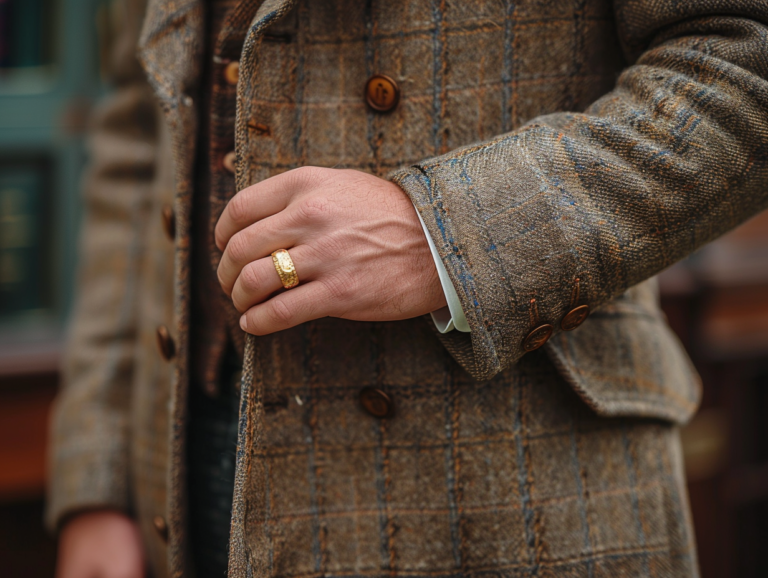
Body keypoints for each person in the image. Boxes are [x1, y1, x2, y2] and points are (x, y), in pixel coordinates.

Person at [49, 0, 768, 576]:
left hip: (505, 481)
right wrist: (100, 481)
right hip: (179, 471)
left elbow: (746, 60)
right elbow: (139, 126)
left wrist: (445, 232)